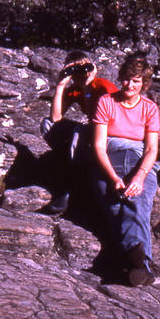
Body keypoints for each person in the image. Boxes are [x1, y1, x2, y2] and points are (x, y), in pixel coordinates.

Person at [93, 54, 160, 286]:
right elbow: (99, 146)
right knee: (114, 206)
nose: (130, 86)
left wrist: (139, 177)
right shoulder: (106, 102)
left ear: (144, 84)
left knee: (138, 202)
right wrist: (112, 177)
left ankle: (139, 264)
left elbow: (152, 150)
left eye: (136, 81)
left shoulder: (150, 108)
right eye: (126, 80)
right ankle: (139, 265)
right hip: (109, 159)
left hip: (138, 159)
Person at [40, 51, 117, 213]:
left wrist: (88, 87)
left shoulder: (104, 86)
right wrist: (60, 85)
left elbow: (98, 120)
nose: (82, 73)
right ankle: (68, 159)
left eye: (85, 68)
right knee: (47, 124)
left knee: (78, 132)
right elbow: (55, 118)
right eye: (75, 70)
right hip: (92, 130)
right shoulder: (75, 89)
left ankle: (70, 186)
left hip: (108, 131)